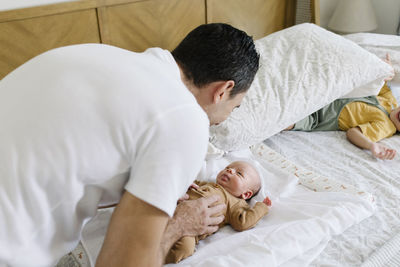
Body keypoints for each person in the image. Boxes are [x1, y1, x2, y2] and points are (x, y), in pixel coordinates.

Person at [0, 23, 260, 267]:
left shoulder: (96, 53)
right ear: (223, 90)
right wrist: (179, 225)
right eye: (234, 107)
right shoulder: (186, 119)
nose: (225, 118)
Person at [285, 56, 398, 160]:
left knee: (288, 121)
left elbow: (353, 133)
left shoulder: (386, 127)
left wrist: (371, 145)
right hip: (330, 93)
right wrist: (386, 70)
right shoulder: (391, 101)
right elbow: (379, 82)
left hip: (320, 116)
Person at [166, 161, 272, 264]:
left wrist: (262, 208)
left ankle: (158, 257)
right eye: (227, 168)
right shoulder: (209, 185)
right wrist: (187, 184)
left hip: (189, 231)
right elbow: (192, 183)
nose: (230, 170)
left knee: (185, 248)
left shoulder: (236, 204)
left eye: (239, 173)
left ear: (246, 194)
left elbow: (243, 222)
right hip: (174, 207)